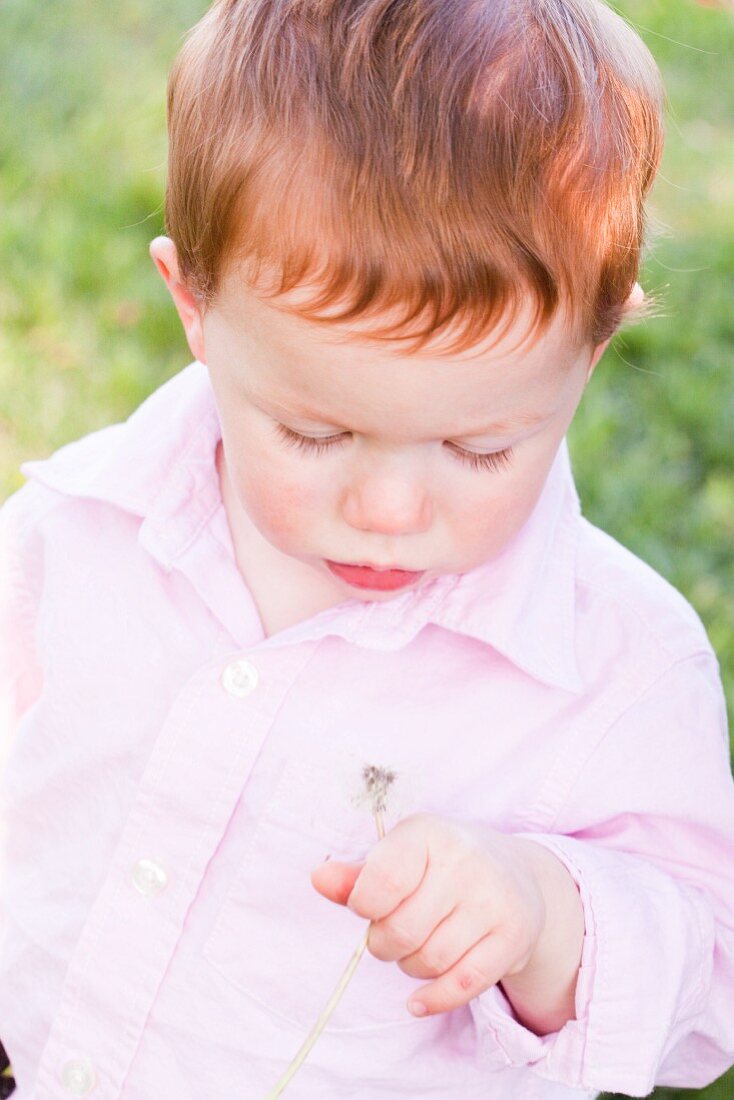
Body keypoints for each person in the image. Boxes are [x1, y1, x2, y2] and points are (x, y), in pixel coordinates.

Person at [1, 0, 733, 1096]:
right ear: (192, 306)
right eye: (314, 430)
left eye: (479, 445)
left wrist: (539, 911)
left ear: (587, 357)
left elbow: (705, 975)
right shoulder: (80, 522)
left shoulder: (616, 667)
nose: (388, 504)